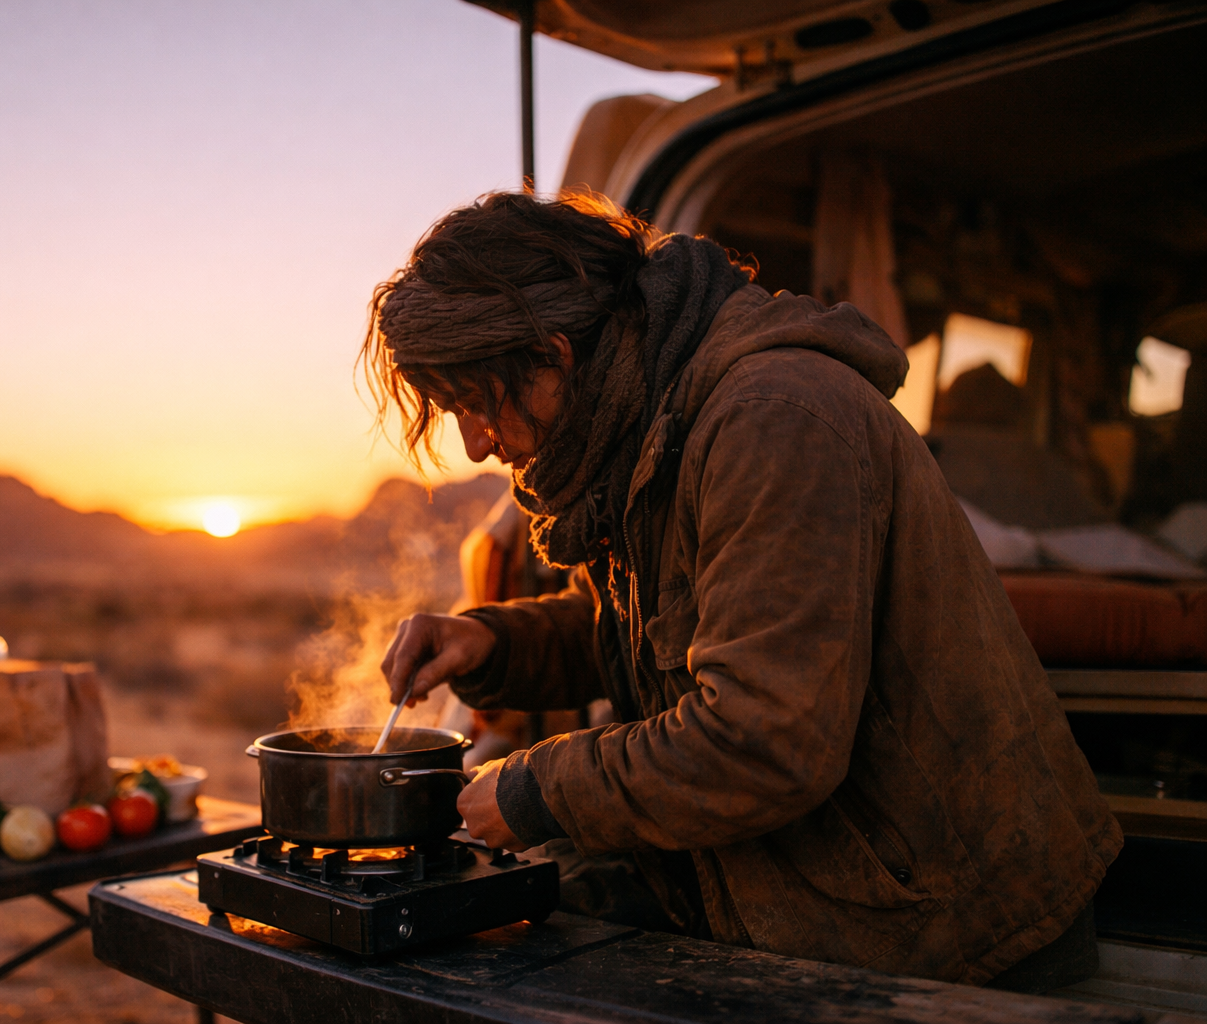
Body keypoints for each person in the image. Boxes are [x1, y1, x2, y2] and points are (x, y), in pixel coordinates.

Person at [361, 191, 1120, 990]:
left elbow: (764, 739)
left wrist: (535, 788)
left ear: (554, 355)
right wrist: (495, 641)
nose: (476, 444)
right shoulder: (647, 424)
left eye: (475, 403)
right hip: (810, 900)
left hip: (950, 942)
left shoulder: (772, 420)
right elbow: (664, 624)